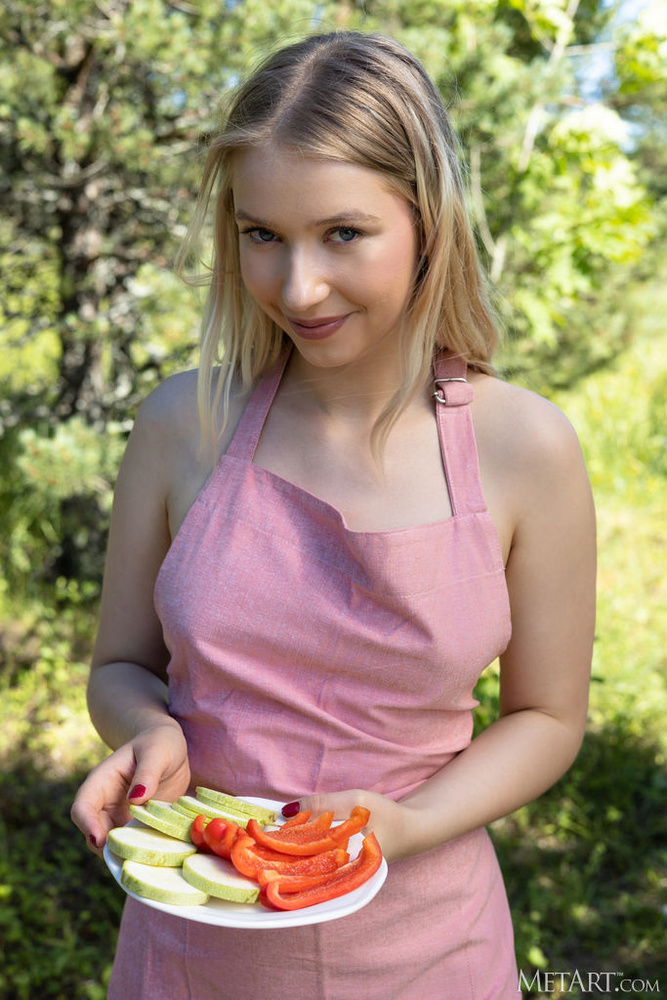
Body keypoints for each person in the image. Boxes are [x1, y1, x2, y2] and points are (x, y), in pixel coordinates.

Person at [70, 30, 596, 1000]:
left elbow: (548, 715)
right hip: (192, 955)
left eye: (341, 233)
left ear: (426, 221)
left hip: (427, 952)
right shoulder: (183, 422)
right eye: (262, 234)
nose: (297, 286)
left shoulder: (527, 449)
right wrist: (147, 727)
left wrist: (409, 823)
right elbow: (118, 664)